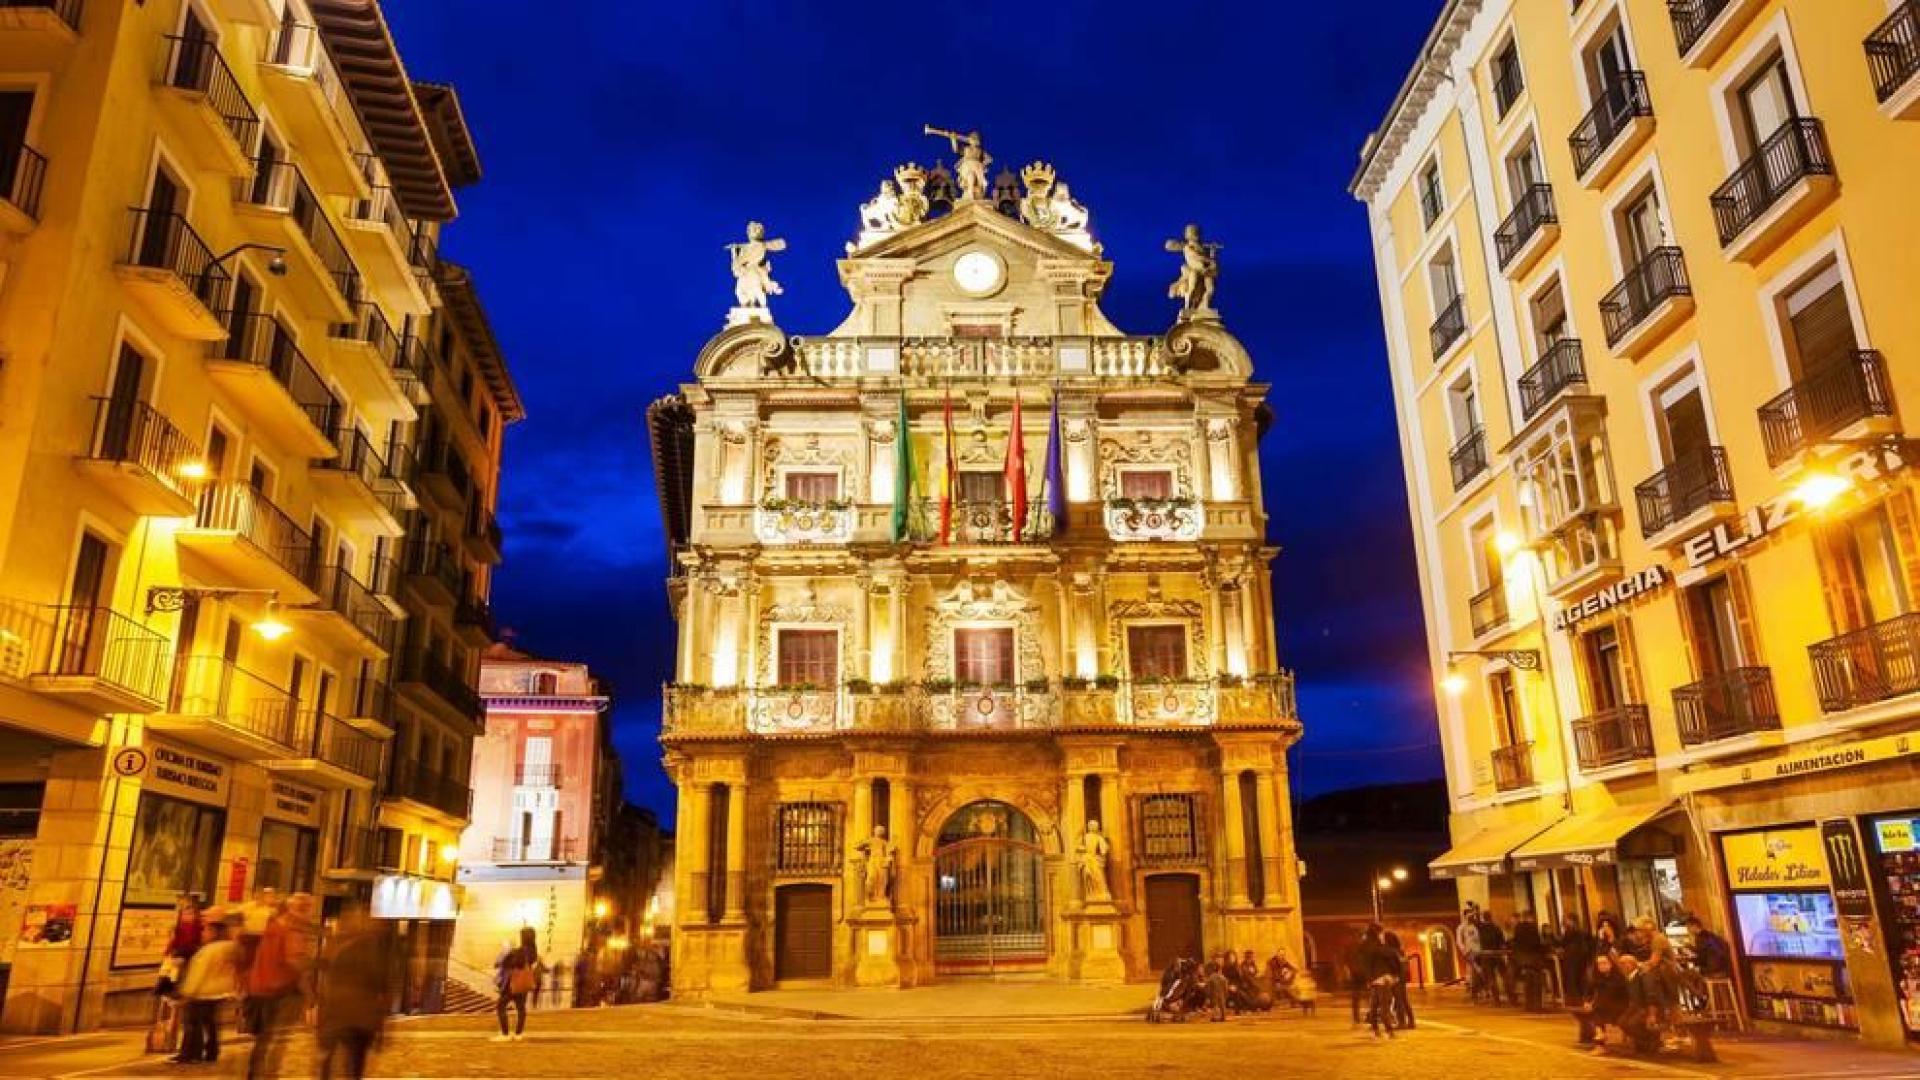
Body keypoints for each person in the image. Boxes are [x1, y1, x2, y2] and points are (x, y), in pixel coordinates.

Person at [245, 891, 316, 1080]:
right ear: (301, 909)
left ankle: (255, 1075)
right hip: (280, 991)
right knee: (277, 1039)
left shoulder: (273, 926)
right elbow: (294, 961)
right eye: (309, 909)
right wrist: (310, 991)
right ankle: (268, 1076)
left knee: (264, 1039)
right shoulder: (291, 930)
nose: (310, 915)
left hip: (260, 988)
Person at [317, 911, 389, 1080]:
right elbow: (380, 987)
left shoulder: (337, 947)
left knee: (331, 1058)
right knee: (354, 1062)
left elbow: (327, 979)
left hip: (341, 1014)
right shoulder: (372, 951)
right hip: (359, 1017)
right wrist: (380, 1027)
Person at [171, 913, 239, 1065]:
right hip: (218, 992)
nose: (203, 933)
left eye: (206, 930)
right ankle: (211, 1052)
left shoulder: (208, 951)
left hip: (203, 992)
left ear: (214, 932)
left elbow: (198, 974)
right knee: (210, 1023)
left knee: (192, 1023)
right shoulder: (230, 947)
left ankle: (190, 1053)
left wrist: (186, 993)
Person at [494, 927, 545, 1041]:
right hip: (523, 983)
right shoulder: (533, 951)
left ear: (524, 937)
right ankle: (518, 1033)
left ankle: (505, 1034)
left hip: (513, 983)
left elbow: (514, 963)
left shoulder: (521, 951)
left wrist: (508, 956)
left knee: (500, 1006)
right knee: (521, 1007)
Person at [1571, 953, 1628, 1051]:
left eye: (1604, 963)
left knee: (1597, 1011)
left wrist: (1593, 1004)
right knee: (1590, 1011)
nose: (1602, 966)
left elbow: (1613, 994)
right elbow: (1589, 991)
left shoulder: (1618, 977)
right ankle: (1598, 1037)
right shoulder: (1597, 977)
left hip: (1619, 1006)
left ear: (1611, 964)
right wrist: (1587, 1002)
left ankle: (1599, 1040)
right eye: (1599, 964)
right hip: (1603, 1007)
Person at [1616, 954, 1663, 1056]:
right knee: (1622, 1022)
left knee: (1633, 1023)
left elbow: (1651, 995)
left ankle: (1650, 1042)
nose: (1622, 967)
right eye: (1621, 964)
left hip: (1647, 1007)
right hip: (1636, 1007)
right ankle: (1642, 1043)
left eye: (1623, 964)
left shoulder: (1643, 976)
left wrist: (1652, 1014)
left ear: (1631, 964)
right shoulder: (1629, 977)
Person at [1359, 925, 1399, 1038]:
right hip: (1382, 978)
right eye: (1381, 932)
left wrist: (1369, 978)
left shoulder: (1364, 946)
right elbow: (1390, 957)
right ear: (1377, 933)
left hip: (1373, 979)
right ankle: (1389, 1030)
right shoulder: (1378, 946)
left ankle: (1375, 1030)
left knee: (1374, 1004)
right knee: (1384, 1005)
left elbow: (1364, 964)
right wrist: (1395, 973)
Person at [1511, 912, 1547, 1012]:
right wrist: (1544, 949)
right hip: (1533, 959)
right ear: (1530, 917)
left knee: (1528, 982)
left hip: (1522, 959)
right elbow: (1536, 943)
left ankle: (1529, 1005)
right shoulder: (1532, 928)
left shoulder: (1518, 928)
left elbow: (1516, 942)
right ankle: (1537, 1005)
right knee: (1536, 983)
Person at [1382, 928, 1415, 1029]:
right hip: (1401, 977)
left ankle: (1402, 1022)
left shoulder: (1391, 951)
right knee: (1404, 1000)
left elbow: (1393, 965)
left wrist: (1393, 975)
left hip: (1396, 977)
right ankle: (1411, 1021)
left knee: (1399, 1000)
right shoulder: (1399, 951)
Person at [1476, 910, 1509, 1005]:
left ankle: (1496, 1000)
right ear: (1491, 917)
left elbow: (1475, 921)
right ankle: (1512, 998)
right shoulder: (1496, 928)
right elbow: (1502, 941)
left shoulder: (1481, 928)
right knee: (1504, 976)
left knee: (1491, 978)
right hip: (1497, 954)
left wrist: (1476, 911)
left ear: (1483, 918)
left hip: (1486, 955)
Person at [1560, 916, 1595, 1005]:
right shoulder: (1583, 932)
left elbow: (1563, 943)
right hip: (1581, 957)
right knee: (1580, 977)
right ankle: (1581, 996)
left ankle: (1575, 997)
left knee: (1573, 977)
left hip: (1573, 958)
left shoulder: (1571, 932)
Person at [1456, 905, 1483, 999]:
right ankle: (1473, 992)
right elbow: (1459, 941)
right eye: (1468, 913)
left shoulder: (1476, 925)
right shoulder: (1461, 927)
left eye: (1471, 913)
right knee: (1473, 972)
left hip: (1479, 951)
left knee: (1479, 971)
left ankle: (1480, 990)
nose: (1471, 915)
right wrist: (1464, 951)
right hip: (1470, 952)